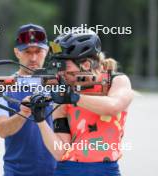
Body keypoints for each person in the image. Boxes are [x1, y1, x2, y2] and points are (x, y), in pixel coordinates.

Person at [29, 29, 134, 176]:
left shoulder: (117, 81)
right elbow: (60, 152)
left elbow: (113, 107)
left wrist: (74, 97)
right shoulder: (65, 91)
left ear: (85, 64)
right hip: (67, 170)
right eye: (57, 66)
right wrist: (40, 120)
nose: (60, 73)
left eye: (65, 66)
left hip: (106, 170)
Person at [0, 23, 56, 176]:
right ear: (17, 53)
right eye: (27, 52)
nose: (33, 58)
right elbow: (2, 130)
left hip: (58, 169)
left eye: (38, 51)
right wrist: (23, 112)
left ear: (47, 51)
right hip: (17, 171)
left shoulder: (59, 82)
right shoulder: (2, 86)